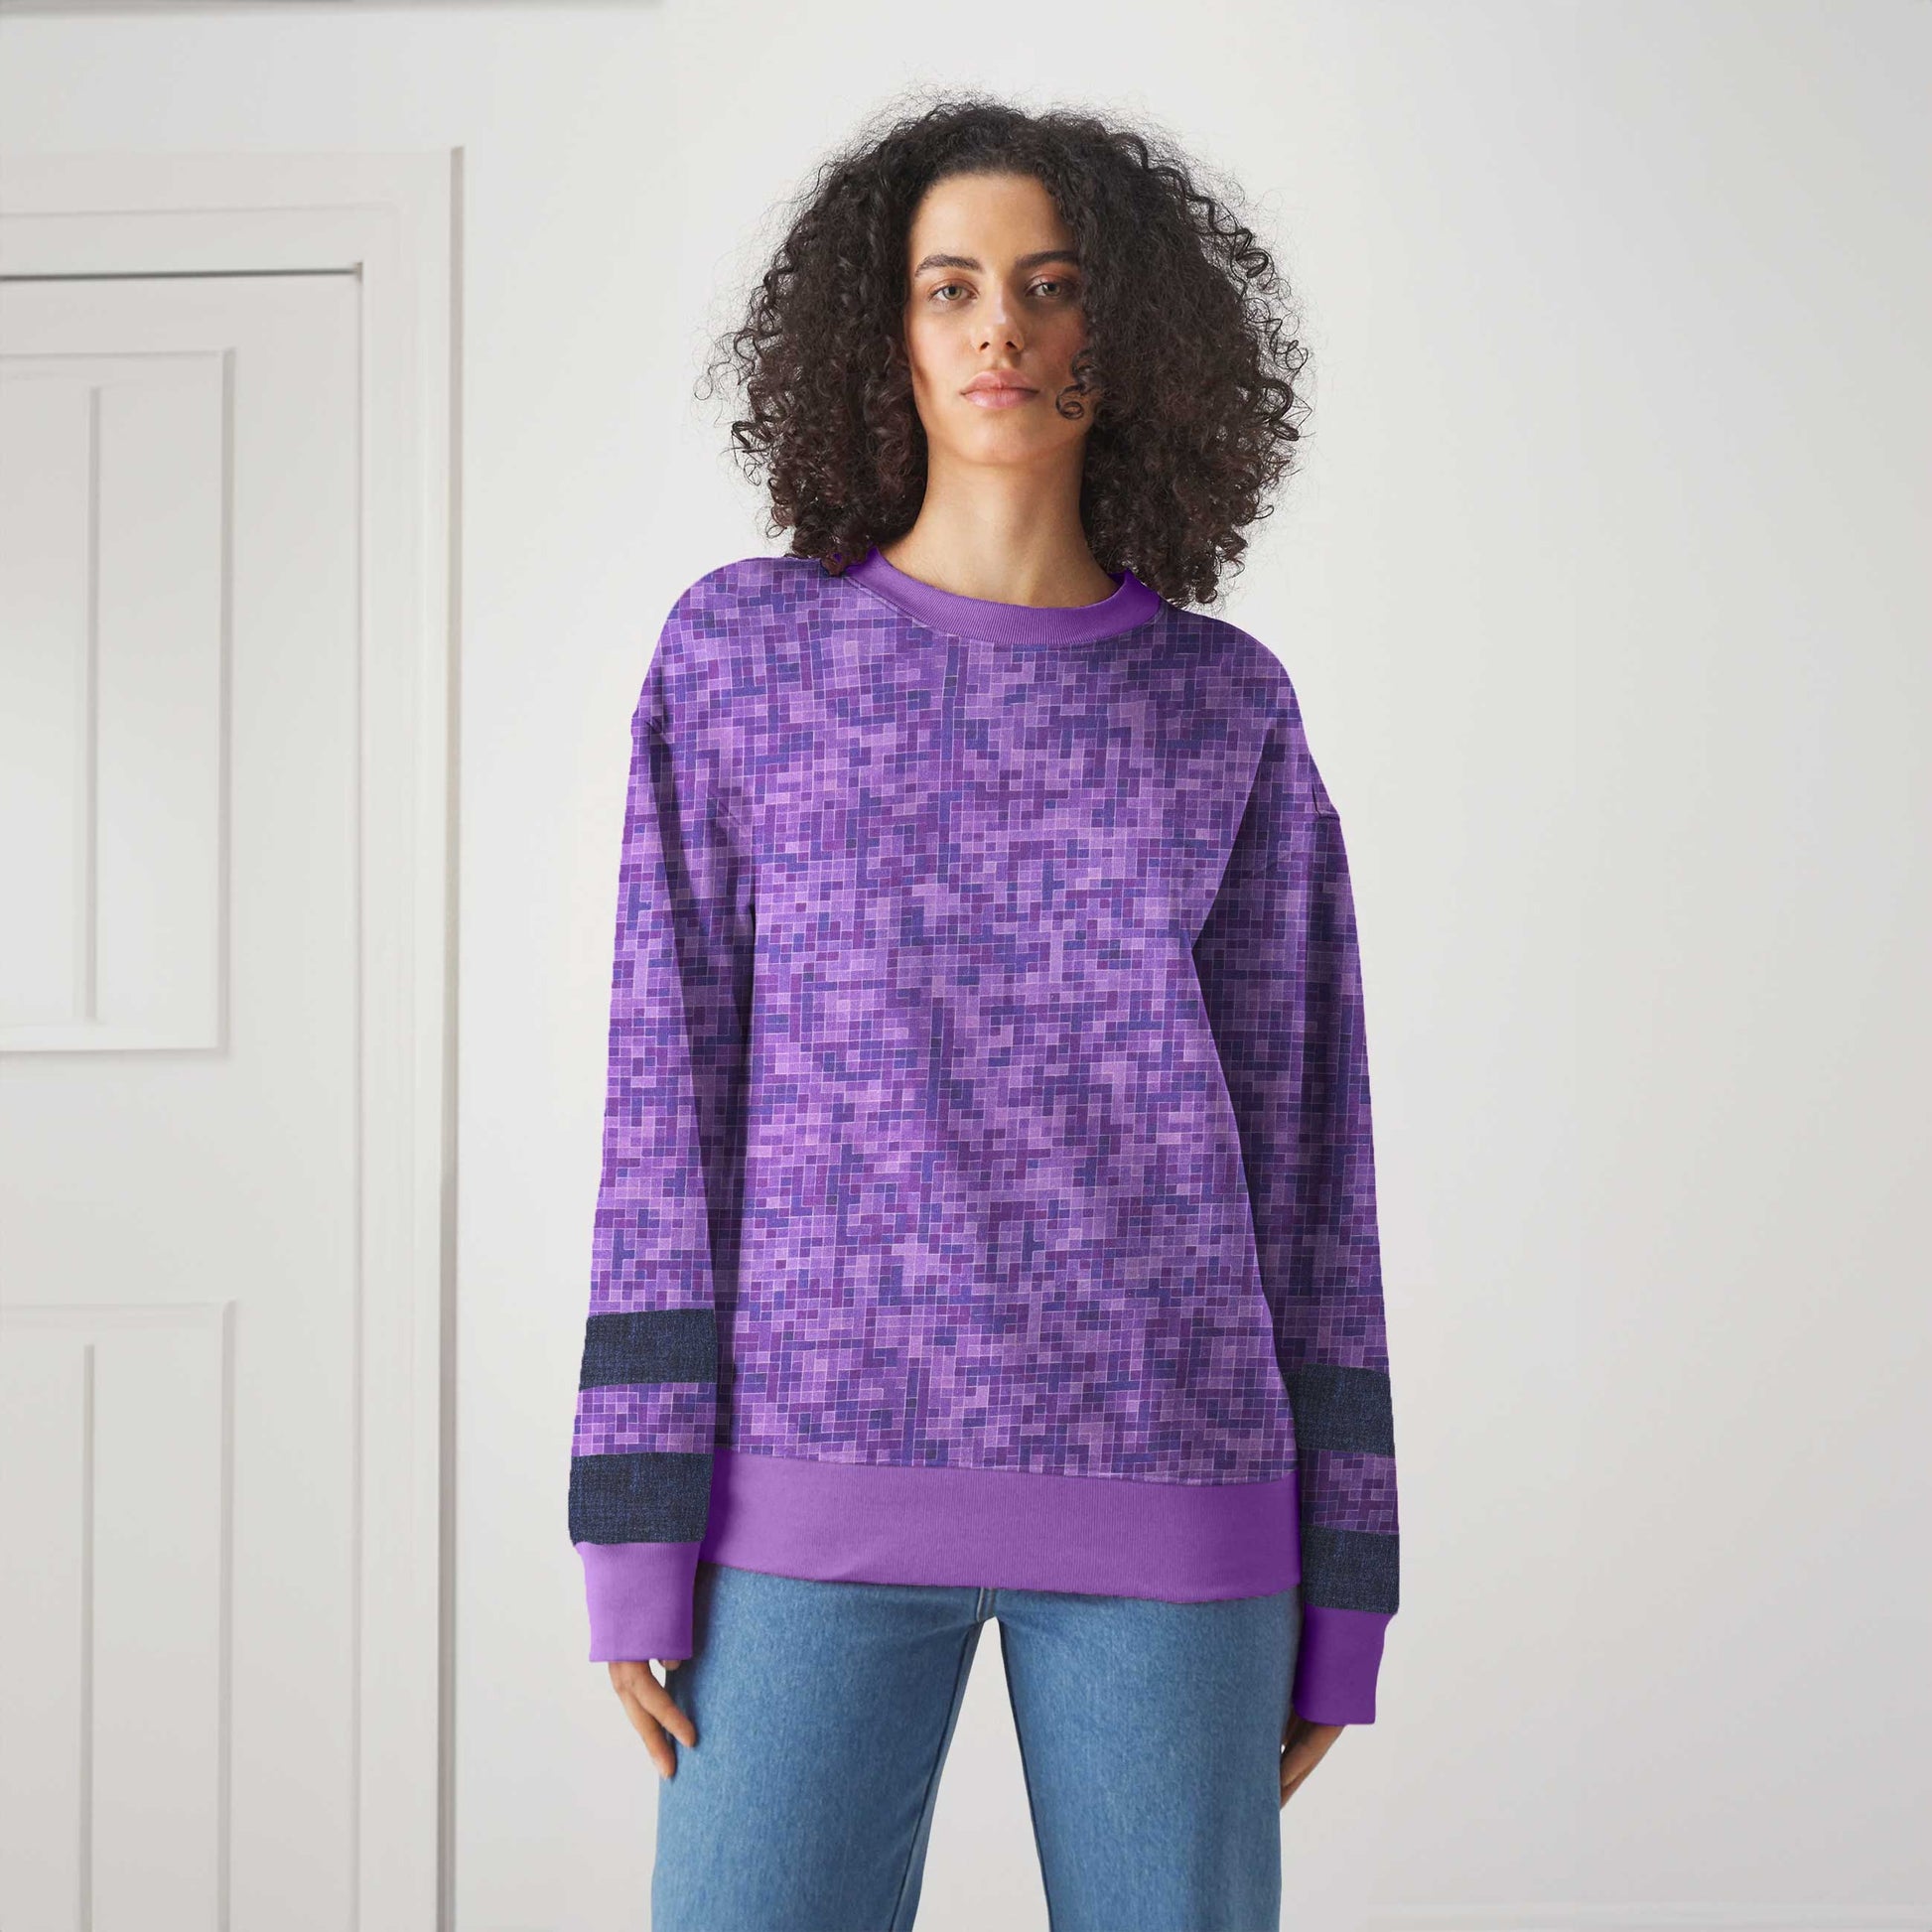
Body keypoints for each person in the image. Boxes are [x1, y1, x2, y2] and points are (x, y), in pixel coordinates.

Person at [568, 91, 1400, 1932]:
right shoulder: (742, 657)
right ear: (881, 334)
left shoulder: (1224, 705)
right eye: (948, 286)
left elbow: (1310, 1165)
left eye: (1049, 283)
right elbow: (664, 1100)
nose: (998, 328)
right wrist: (633, 1518)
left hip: (1176, 1486)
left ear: (1134, 329)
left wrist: (1346, 1583)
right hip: (804, 1492)